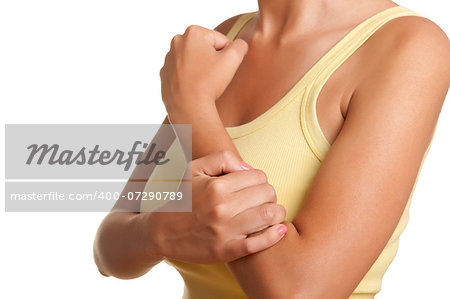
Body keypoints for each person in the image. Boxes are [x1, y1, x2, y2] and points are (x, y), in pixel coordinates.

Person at [94, 0, 450, 298]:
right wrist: (158, 233)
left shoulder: (408, 46)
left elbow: (300, 291)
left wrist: (193, 107)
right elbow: (109, 250)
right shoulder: (225, 36)